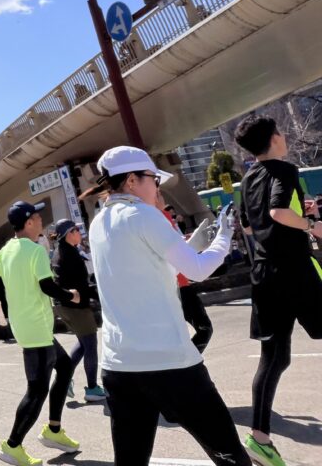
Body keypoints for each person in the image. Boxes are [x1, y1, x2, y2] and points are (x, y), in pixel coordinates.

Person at [88, 146, 250, 466]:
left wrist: (202, 241)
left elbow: (158, 265)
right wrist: (225, 235)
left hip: (119, 365)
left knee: (131, 462)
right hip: (169, 362)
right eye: (153, 180)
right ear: (132, 181)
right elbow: (197, 270)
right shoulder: (144, 215)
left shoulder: (99, 222)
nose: (157, 188)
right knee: (230, 455)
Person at [235, 116, 322, 466]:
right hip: (293, 272)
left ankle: (260, 439)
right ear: (273, 138)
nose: (285, 136)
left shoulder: (247, 178)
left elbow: (249, 224)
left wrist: (303, 212)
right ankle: (259, 439)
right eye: (282, 132)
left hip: (264, 274)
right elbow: (278, 211)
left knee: (275, 358)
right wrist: (312, 225)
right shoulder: (284, 170)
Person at [0, 201, 82, 466]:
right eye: (39, 218)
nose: (42, 222)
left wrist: (12, 300)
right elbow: (47, 287)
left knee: (64, 368)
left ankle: (53, 430)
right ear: (29, 222)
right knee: (36, 391)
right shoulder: (34, 250)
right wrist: (71, 296)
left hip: (27, 325)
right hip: (37, 328)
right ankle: (12, 445)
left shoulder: (7, 249)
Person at [49, 219, 105, 403]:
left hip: (63, 305)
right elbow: (80, 284)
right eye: (76, 229)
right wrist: (99, 295)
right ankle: (92, 388)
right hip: (74, 306)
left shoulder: (62, 251)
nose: (80, 232)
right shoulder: (69, 254)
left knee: (83, 343)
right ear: (68, 234)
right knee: (89, 344)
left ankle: (65, 379)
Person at [160, 200, 215, 353]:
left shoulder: (155, 216)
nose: (160, 195)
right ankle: (189, 364)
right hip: (178, 285)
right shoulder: (157, 216)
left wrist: (188, 241)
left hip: (175, 284)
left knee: (188, 333)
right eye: (155, 183)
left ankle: (187, 365)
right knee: (204, 328)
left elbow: (173, 245)